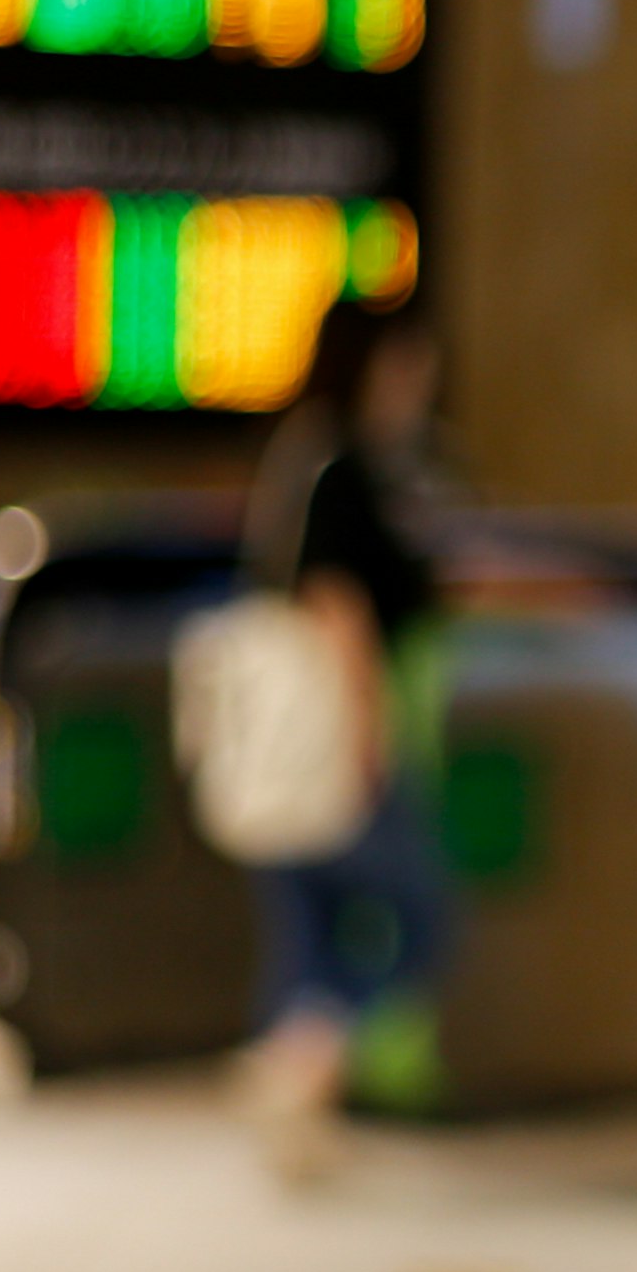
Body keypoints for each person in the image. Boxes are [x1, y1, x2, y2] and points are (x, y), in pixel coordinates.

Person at [235, 325, 454, 1183]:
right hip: (328, 740)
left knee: (306, 931)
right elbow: (340, 610)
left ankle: (299, 1091)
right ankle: (302, 1063)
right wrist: (366, 734)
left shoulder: (296, 461)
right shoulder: (345, 472)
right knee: (423, 919)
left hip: (282, 751)